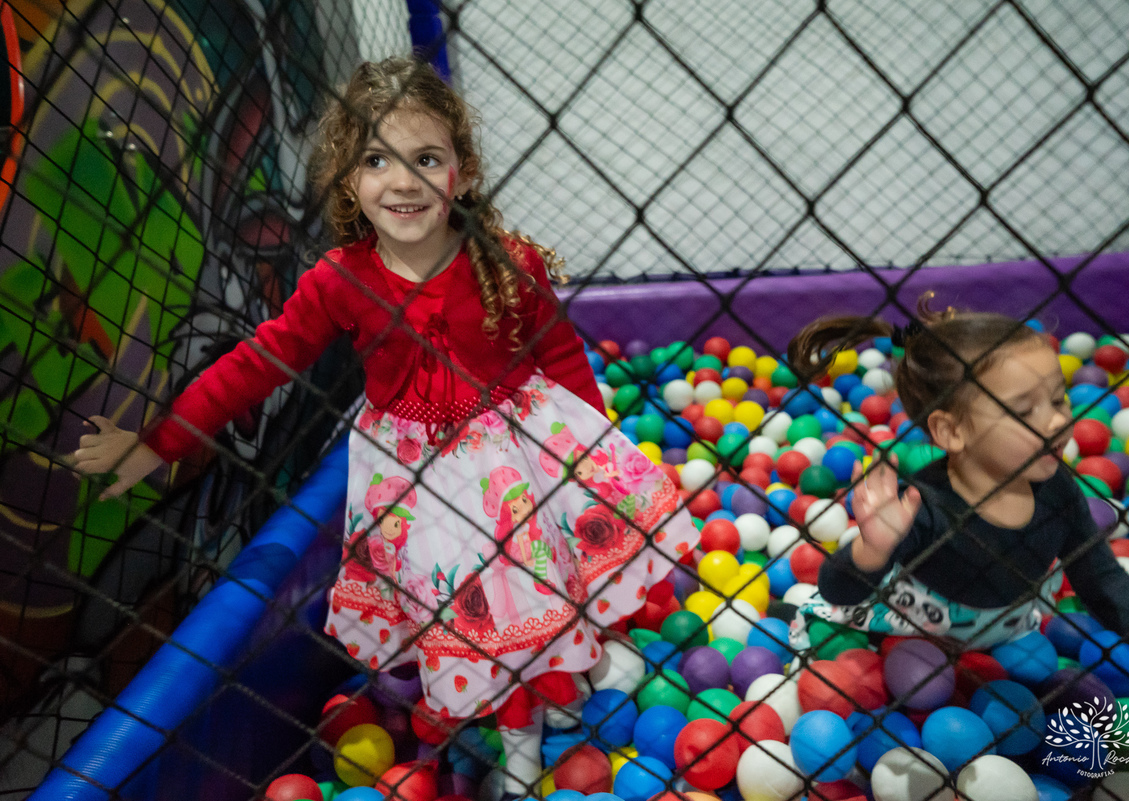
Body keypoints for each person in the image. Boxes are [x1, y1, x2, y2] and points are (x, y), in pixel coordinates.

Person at [73, 56, 697, 796]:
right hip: (424, 483)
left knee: (546, 569)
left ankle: (577, 661)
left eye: (425, 158)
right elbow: (257, 361)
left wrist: (595, 446)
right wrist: (158, 441)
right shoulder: (342, 279)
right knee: (469, 603)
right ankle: (517, 729)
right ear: (349, 183)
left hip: (521, 452)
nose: (402, 181)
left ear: (460, 173)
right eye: (377, 160)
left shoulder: (504, 258)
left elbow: (555, 348)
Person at [781, 304, 1129, 680]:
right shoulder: (924, 504)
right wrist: (872, 550)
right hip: (914, 625)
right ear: (952, 431)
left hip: (1009, 626)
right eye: (1023, 411)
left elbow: (1100, 575)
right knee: (827, 639)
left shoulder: (1056, 487)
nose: (1056, 422)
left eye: (1058, 399)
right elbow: (840, 589)